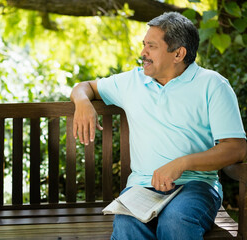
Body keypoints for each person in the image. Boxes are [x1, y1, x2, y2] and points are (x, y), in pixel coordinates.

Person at [70, 12, 247, 240]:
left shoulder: (213, 85)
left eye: (151, 46)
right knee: (126, 226)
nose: (143, 53)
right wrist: (83, 101)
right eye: (144, 45)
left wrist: (182, 163)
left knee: (176, 221)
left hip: (195, 186)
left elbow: (236, 148)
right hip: (141, 189)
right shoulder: (132, 82)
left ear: (178, 53)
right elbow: (84, 86)